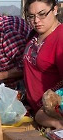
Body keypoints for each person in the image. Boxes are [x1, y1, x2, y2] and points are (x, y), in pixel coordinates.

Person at [23, 0, 63, 129]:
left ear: (55, 10)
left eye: (42, 14)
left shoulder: (60, 37)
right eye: (31, 16)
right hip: (35, 113)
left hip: (51, 117)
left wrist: (51, 117)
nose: (36, 20)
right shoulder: (34, 34)